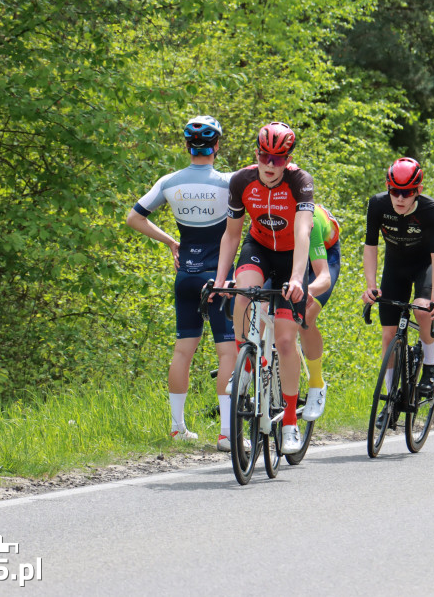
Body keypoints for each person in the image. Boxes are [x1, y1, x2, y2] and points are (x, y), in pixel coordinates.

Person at [125, 115, 235, 445]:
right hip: (218, 278)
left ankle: (177, 428)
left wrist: (170, 241)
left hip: (185, 275)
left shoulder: (169, 182)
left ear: (186, 145)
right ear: (217, 146)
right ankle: (227, 433)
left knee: (182, 351)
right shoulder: (228, 182)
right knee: (227, 353)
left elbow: (134, 218)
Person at [213, 121, 314, 454]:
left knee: (286, 341)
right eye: (264, 157)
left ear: (288, 158)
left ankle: (289, 423)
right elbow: (231, 234)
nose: (271, 166)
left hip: (291, 259)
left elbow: (302, 233)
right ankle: (246, 364)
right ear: (256, 153)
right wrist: (219, 279)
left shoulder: (300, 182)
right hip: (258, 248)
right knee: (243, 291)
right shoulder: (241, 181)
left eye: (279, 159)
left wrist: (298, 278)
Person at [362, 157, 434, 425]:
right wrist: (371, 286)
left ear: (417, 190)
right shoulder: (377, 204)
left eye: (407, 192)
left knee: (422, 310)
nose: (399, 197)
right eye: (394, 190)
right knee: (388, 336)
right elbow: (371, 247)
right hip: (395, 268)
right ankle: (390, 400)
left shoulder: (432, 210)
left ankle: (430, 367)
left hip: (423, 267)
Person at [299, 204, 341, 421]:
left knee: (304, 317)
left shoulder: (311, 220)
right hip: (291, 253)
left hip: (324, 253)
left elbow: (322, 276)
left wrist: (309, 290)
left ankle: (317, 383)